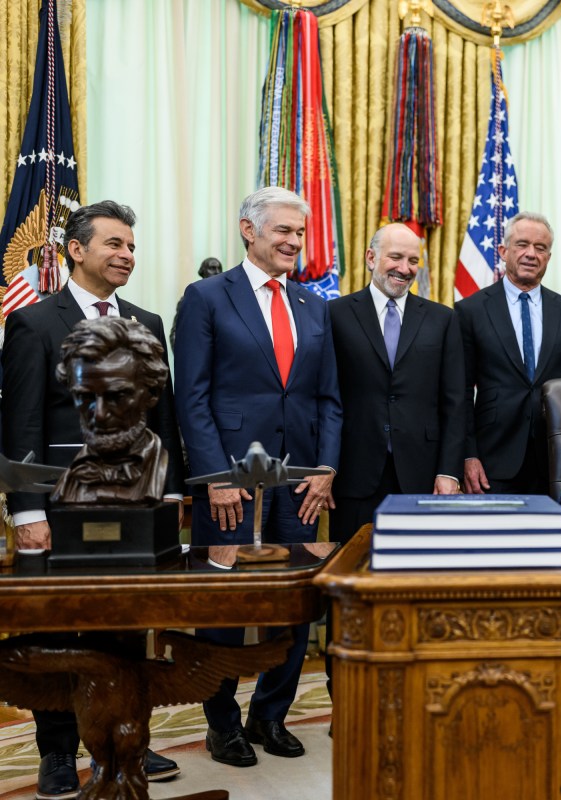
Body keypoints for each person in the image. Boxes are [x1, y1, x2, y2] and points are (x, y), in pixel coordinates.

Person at [1, 200, 184, 797]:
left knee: (129, 626)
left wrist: (170, 493)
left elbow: (164, 418)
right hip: (60, 508)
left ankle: (129, 739)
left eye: (131, 246)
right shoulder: (34, 323)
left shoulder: (146, 322)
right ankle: (57, 751)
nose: (127, 255)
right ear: (76, 250)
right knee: (60, 628)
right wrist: (27, 511)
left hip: (136, 508)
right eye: (115, 244)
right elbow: (21, 424)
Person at [174, 186, 341, 767]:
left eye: (300, 233)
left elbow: (329, 400)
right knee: (224, 606)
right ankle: (222, 724)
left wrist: (325, 469)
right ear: (249, 230)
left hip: (300, 484)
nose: (294, 242)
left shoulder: (314, 305)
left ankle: (271, 715)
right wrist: (214, 476)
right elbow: (191, 397)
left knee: (293, 604)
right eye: (284, 231)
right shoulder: (206, 297)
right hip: (231, 483)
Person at [329, 223, 467, 540]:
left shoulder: (443, 319)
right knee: (353, 562)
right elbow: (324, 399)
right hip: (353, 474)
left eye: (413, 261)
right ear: (371, 257)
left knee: (420, 563)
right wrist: (326, 469)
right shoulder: (334, 314)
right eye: (395, 257)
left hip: (423, 475)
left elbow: (456, 403)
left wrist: (449, 471)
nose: (405, 269)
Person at [456, 212, 561, 495]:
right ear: (503, 251)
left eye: (540, 248)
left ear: (548, 257)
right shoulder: (470, 311)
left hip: (555, 459)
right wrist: (468, 455)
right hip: (492, 458)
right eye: (522, 244)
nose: (531, 254)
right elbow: (460, 393)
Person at [52, 317, 171, 505]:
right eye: (86, 397)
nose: (100, 414)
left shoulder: (160, 467)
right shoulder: (70, 481)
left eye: (117, 397)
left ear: (152, 394)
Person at [170, 257, 224, 349]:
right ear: (202, 272)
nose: (217, 272)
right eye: (212, 268)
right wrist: (182, 355)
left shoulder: (228, 300)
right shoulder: (188, 300)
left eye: (219, 269)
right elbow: (176, 333)